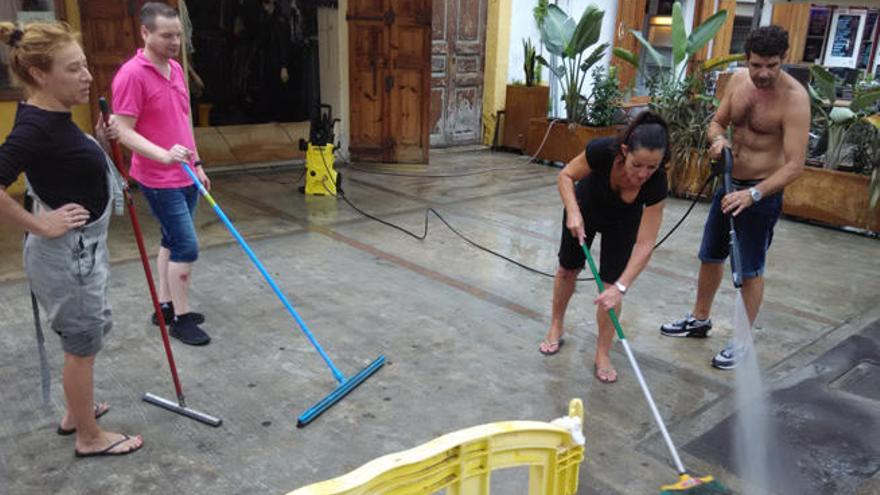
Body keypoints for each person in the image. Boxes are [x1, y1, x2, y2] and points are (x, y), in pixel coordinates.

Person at [0, 21, 143, 457]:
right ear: (41, 75)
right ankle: (88, 437)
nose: (87, 77)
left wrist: (99, 142)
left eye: (84, 67)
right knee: (81, 345)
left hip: (81, 253)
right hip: (67, 257)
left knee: (87, 336)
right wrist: (41, 225)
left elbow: (63, 164)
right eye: (74, 69)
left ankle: (74, 413)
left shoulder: (53, 118)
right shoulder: (35, 128)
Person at [659, 26, 809, 370]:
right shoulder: (738, 81)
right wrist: (718, 140)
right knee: (710, 256)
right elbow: (716, 123)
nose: (763, 73)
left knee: (749, 269)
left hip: (760, 193)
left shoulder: (795, 99)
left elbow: (795, 166)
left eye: (772, 65)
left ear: (782, 60)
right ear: (747, 59)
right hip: (727, 184)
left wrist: (753, 194)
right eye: (757, 64)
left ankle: (742, 339)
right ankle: (699, 319)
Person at [540, 111, 670, 384]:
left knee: (610, 289)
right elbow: (566, 176)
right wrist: (573, 212)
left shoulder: (656, 184)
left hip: (623, 221)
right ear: (625, 151)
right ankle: (556, 325)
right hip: (586, 206)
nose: (643, 174)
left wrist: (621, 288)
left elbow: (646, 244)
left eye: (652, 167)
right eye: (638, 165)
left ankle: (602, 352)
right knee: (568, 269)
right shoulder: (603, 151)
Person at [112, 2, 212, 346]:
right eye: (166, 35)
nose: (175, 42)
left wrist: (196, 163)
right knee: (186, 244)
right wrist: (164, 156)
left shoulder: (176, 69)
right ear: (145, 33)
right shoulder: (131, 74)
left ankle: (166, 306)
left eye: (178, 35)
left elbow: (184, 121)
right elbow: (122, 130)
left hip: (186, 174)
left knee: (171, 239)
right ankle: (181, 321)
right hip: (158, 178)